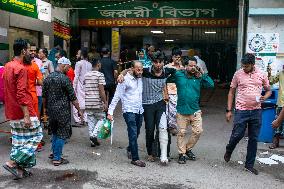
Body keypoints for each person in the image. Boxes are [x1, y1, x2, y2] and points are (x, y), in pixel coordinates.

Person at [118, 51, 175, 165]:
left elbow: (182, 70)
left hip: (160, 103)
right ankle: (150, 153)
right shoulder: (145, 71)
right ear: (152, 62)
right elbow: (129, 70)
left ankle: (163, 154)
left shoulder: (168, 71)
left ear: (164, 63)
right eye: (155, 62)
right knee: (149, 129)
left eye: (160, 62)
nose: (158, 65)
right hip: (147, 105)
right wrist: (121, 74)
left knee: (163, 128)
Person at [224, 53, 271, 175]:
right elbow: (231, 92)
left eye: (246, 66)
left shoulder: (261, 74)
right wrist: (228, 110)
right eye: (243, 66)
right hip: (241, 110)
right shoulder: (238, 74)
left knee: (253, 138)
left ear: (252, 64)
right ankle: (229, 149)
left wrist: (264, 97)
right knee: (237, 135)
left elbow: (269, 91)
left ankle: (249, 165)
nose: (244, 68)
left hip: (256, 111)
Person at [3, 39, 43, 179]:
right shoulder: (21, 69)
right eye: (28, 50)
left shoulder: (7, 66)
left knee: (19, 141)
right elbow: (21, 94)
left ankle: (19, 170)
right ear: (23, 51)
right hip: (23, 111)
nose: (31, 53)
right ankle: (12, 162)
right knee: (37, 135)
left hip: (12, 111)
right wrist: (26, 115)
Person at [170, 57, 214, 164]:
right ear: (185, 66)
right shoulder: (178, 75)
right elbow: (166, 80)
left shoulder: (198, 77)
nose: (193, 67)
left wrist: (203, 74)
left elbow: (211, 85)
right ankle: (181, 154)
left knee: (198, 131)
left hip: (195, 110)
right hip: (181, 110)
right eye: (190, 65)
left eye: (194, 65)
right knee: (181, 133)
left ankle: (187, 149)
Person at [42, 57, 83, 166]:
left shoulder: (48, 78)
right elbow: (73, 97)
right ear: (64, 66)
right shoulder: (65, 79)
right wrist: (79, 110)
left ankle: (54, 153)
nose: (68, 70)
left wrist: (45, 110)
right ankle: (57, 158)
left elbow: (44, 97)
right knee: (61, 134)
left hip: (51, 111)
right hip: (62, 111)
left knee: (55, 132)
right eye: (68, 67)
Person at [107, 61, 145, 167]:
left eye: (141, 69)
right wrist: (110, 112)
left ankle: (130, 148)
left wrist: (122, 72)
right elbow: (117, 96)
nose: (140, 71)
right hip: (128, 110)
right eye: (138, 69)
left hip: (139, 110)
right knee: (133, 132)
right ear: (132, 68)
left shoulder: (140, 77)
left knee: (136, 132)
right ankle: (135, 158)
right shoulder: (124, 80)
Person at [84, 59, 107, 147]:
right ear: (98, 65)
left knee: (91, 121)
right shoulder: (100, 75)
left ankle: (92, 141)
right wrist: (104, 102)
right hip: (97, 101)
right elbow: (101, 91)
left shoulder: (86, 75)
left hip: (88, 101)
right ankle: (93, 136)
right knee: (102, 118)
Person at [165, 47, 184, 135]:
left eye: (179, 57)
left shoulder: (183, 68)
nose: (177, 59)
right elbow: (163, 79)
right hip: (170, 90)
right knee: (171, 110)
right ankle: (171, 127)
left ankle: (176, 126)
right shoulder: (167, 67)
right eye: (176, 57)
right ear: (172, 57)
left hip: (180, 90)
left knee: (178, 110)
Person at [73, 48, 92, 125]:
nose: (77, 55)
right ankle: (85, 119)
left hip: (80, 85)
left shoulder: (79, 63)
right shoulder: (90, 64)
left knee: (77, 101)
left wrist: (73, 87)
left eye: (78, 53)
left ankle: (78, 119)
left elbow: (76, 76)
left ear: (81, 55)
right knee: (86, 102)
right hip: (88, 85)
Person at [268, 65, 284, 149]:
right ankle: (275, 142)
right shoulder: (280, 73)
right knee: (277, 123)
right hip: (281, 103)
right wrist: (269, 72)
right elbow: (271, 81)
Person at [38, 48, 54, 116]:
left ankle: (46, 119)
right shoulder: (36, 62)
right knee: (39, 103)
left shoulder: (49, 62)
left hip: (46, 86)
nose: (38, 54)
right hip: (38, 86)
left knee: (45, 103)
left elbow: (52, 74)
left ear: (44, 54)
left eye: (40, 53)